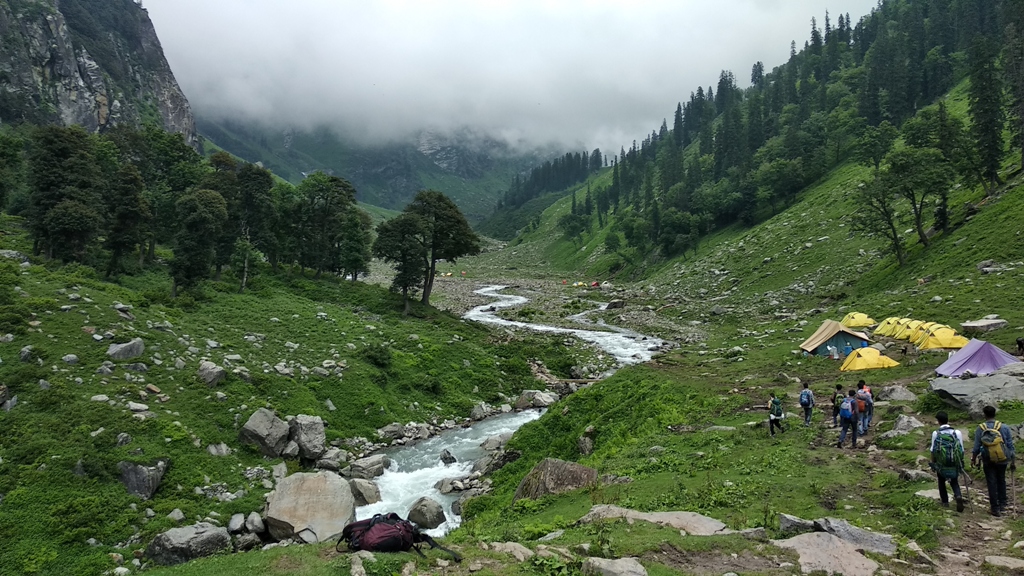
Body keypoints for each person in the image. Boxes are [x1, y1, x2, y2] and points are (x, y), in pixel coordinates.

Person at [972, 405, 1016, 516]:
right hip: (1003, 458)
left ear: (984, 415)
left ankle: (994, 508)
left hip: (988, 459)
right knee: (1001, 480)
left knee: (991, 482)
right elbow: (1010, 445)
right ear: (995, 414)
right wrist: (1013, 461)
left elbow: (977, 446)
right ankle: (1003, 504)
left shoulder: (980, 428)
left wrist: (973, 459)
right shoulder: (1004, 427)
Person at [930, 411, 965, 512]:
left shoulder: (936, 433)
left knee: (941, 481)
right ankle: (958, 495)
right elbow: (961, 449)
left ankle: (945, 502)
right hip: (954, 461)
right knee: (954, 481)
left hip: (942, 462)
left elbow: (933, 450)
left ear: (938, 421)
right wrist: (961, 462)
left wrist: (933, 463)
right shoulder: (956, 433)